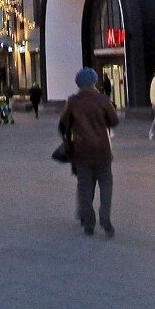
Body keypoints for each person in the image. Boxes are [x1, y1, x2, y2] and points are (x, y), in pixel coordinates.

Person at [59, 67, 119, 237]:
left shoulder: (73, 101)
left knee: (84, 187)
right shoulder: (103, 100)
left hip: (81, 151)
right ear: (94, 81)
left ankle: (89, 223)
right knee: (106, 184)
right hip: (102, 151)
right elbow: (114, 120)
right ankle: (105, 218)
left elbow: (63, 122)